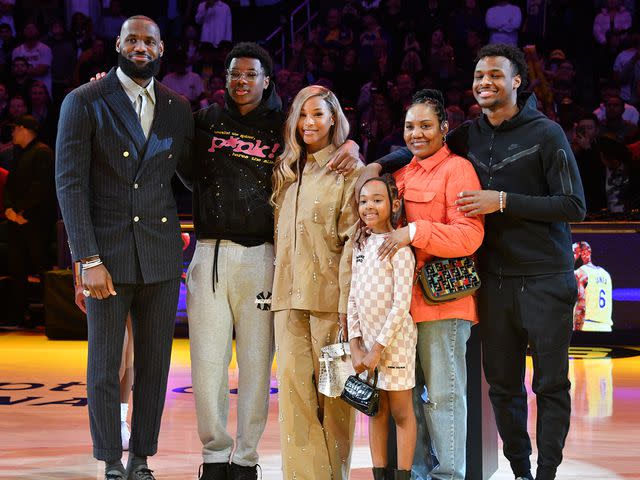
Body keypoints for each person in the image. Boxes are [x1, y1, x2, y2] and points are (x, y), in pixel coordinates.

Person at [361, 44, 586, 480]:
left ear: (517, 81)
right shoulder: (468, 134)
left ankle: (548, 472)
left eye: (495, 76)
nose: (485, 83)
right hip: (493, 281)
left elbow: (574, 204)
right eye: (479, 76)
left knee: (550, 384)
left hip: (544, 276)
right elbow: (418, 149)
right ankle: (520, 469)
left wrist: (502, 201)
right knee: (502, 387)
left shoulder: (547, 134)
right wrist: (374, 164)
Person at [186, 43, 359, 480]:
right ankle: (214, 456)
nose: (241, 81)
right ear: (225, 79)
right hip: (211, 253)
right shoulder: (204, 121)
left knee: (258, 367)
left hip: (264, 259)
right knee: (206, 365)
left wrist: (354, 147)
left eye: (250, 74)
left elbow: (328, 134)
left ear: (267, 80)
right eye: (233, 74)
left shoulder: (283, 127)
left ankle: (245, 459)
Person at [55, 15, 193, 480]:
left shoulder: (177, 106)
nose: (140, 47)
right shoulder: (84, 101)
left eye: (148, 41)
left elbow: (194, 177)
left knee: (155, 367)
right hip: (106, 258)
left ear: (161, 48)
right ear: (118, 44)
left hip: (159, 253)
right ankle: (111, 459)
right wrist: (86, 259)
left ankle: (141, 459)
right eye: (131, 39)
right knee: (104, 365)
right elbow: (70, 185)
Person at [357, 89, 485, 480]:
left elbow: (469, 237)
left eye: (426, 125)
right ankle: (413, 474)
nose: (417, 133)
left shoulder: (459, 170)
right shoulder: (400, 175)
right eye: (410, 126)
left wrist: (414, 231)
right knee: (405, 401)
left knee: (444, 398)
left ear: (444, 128)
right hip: (399, 311)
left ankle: (448, 475)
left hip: (443, 305)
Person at [270, 85, 362, 480]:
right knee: (294, 397)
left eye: (318, 115)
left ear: (333, 120)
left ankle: (334, 475)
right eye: (303, 115)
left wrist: (347, 310)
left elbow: (353, 243)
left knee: (336, 398)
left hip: (332, 303)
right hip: (287, 302)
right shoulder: (286, 171)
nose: (309, 123)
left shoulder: (349, 170)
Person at [349, 175, 417, 480]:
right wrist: (356, 344)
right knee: (376, 411)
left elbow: (401, 305)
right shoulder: (360, 244)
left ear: (394, 205)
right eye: (363, 201)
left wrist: (377, 348)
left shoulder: (400, 248)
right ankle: (380, 475)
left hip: (395, 343)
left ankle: (402, 475)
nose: (369, 206)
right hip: (367, 350)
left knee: (401, 413)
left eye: (377, 200)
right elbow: (353, 296)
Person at [73, 262, 135, 451]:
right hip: (103, 267)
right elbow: (76, 233)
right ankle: (108, 422)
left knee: (130, 351)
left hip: (141, 265)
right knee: (114, 352)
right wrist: (78, 280)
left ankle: (120, 419)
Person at [4, 114, 55, 327]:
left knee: (41, 267)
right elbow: (10, 184)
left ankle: (51, 315)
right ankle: (20, 315)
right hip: (16, 220)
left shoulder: (42, 152)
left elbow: (41, 188)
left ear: (25, 129)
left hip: (35, 222)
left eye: (15, 129)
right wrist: (9, 209)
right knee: (17, 269)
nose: (12, 133)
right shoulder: (19, 154)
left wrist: (20, 211)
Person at [572, 241, 613, 332]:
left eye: (574, 253)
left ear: (583, 254)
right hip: (606, 328)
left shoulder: (579, 273)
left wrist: (576, 331)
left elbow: (581, 305)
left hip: (586, 326)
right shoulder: (606, 274)